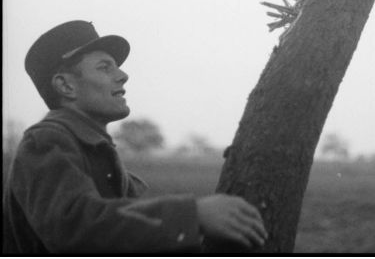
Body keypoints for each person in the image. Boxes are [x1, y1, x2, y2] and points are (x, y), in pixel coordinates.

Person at [3, 20, 267, 255]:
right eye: (105, 67)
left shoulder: (97, 150)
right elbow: (72, 227)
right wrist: (194, 215)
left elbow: (126, 237)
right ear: (66, 86)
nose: (122, 75)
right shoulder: (47, 140)